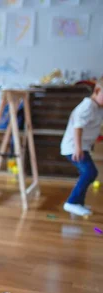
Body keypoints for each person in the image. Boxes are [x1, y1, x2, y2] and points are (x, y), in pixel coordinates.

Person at [60, 77, 103, 216]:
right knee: (90, 172)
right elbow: (77, 127)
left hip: (81, 146)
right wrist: (77, 148)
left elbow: (91, 127)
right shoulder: (88, 106)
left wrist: (98, 138)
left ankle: (78, 203)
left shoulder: (98, 108)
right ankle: (71, 202)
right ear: (97, 91)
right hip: (73, 147)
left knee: (88, 173)